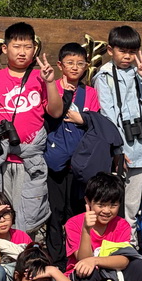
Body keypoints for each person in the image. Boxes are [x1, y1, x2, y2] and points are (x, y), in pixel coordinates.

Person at [0, 22, 63, 235]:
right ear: (5, 48)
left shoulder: (41, 77)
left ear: (35, 49)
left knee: (28, 213)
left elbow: (56, 112)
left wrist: (50, 82)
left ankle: (24, 250)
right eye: (16, 46)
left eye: (28, 46)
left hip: (30, 160)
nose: (22, 52)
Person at [94, 25, 142, 227]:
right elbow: (107, 117)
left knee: (131, 207)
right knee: (110, 204)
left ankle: (128, 241)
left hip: (141, 150)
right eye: (122, 51)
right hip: (118, 153)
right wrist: (117, 151)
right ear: (110, 50)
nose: (127, 56)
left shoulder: (141, 74)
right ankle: (110, 241)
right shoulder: (104, 77)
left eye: (132, 51)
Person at [64, 171, 142, 281]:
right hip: (86, 274)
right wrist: (86, 230)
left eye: (113, 205)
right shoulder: (73, 224)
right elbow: (83, 260)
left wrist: (95, 260)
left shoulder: (122, 224)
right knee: (86, 274)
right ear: (88, 201)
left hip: (113, 269)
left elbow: (124, 260)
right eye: (101, 205)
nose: (107, 211)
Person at [44, 42, 100, 260]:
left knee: (76, 212)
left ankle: (75, 258)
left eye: (80, 63)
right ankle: (56, 260)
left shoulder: (90, 93)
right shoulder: (52, 88)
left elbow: (95, 122)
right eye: (70, 63)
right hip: (55, 162)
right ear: (60, 65)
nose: (75, 67)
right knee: (54, 213)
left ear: (87, 66)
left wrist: (82, 119)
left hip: (80, 164)